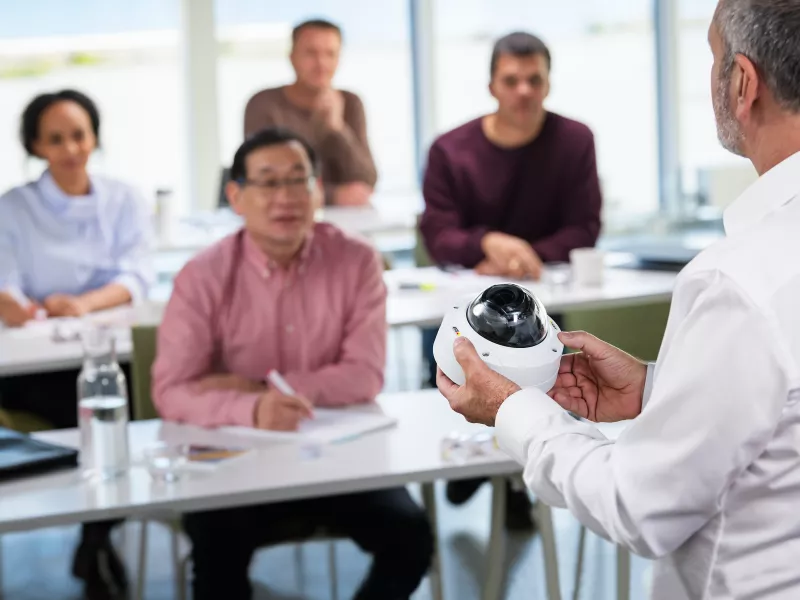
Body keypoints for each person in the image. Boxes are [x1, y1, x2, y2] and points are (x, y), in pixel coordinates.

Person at [438, 1, 800, 598]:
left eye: (712, 56)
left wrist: (511, 410)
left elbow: (639, 505)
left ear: (742, 82)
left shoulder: (738, 281)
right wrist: (659, 388)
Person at [152, 127, 432, 600]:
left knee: (411, 537)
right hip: (236, 461)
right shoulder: (202, 275)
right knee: (217, 558)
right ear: (236, 196)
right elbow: (172, 389)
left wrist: (254, 388)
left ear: (317, 190)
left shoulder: (357, 261)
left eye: (298, 180)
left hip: (335, 454)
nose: (285, 197)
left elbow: (365, 374)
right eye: (267, 182)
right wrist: (251, 411)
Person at [419, 30, 603, 527]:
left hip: (537, 299)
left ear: (547, 84)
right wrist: (486, 245)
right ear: (492, 85)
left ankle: (517, 485)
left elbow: (585, 226)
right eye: (511, 80)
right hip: (463, 301)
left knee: (539, 380)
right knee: (446, 371)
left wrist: (525, 257)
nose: (523, 90)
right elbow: (438, 233)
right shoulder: (449, 149)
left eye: (534, 80)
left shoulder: (574, 139)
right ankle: (470, 468)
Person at [0, 89, 153, 599]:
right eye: (56, 139)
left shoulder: (124, 198)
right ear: (36, 146)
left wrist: (84, 303)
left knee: (133, 406)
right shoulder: (14, 208)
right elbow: (8, 286)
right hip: (36, 369)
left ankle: (97, 535)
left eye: (80, 135)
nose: (71, 149)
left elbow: (136, 275)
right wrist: (17, 305)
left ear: (95, 137)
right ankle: (96, 526)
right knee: (92, 419)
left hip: (107, 348)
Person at [244, 19, 377, 206]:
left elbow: (366, 181)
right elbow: (264, 179)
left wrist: (337, 128)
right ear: (292, 57)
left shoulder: (351, 102)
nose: (321, 63)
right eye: (311, 53)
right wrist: (334, 196)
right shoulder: (264, 104)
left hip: (344, 221)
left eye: (330, 54)